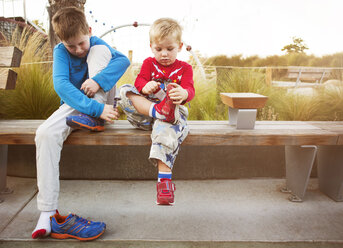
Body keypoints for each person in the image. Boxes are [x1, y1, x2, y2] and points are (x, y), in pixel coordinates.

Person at [32, 7, 130, 240]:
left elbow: (123, 61)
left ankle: (92, 117)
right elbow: (62, 87)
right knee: (44, 133)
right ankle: (47, 213)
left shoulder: (95, 44)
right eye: (70, 46)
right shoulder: (60, 52)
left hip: (101, 101)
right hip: (81, 106)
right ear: (61, 41)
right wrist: (93, 108)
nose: (77, 50)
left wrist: (97, 82)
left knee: (98, 51)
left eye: (80, 43)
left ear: (89, 30)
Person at [118, 18, 195, 205]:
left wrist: (183, 93)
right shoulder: (148, 64)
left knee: (164, 132)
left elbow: (190, 91)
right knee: (125, 90)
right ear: (151, 46)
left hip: (172, 117)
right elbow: (139, 82)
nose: (165, 54)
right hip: (147, 114)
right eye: (159, 49)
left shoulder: (185, 68)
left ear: (180, 46)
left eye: (170, 49)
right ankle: (158, 111)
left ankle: (164, 183)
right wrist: (145, 87)